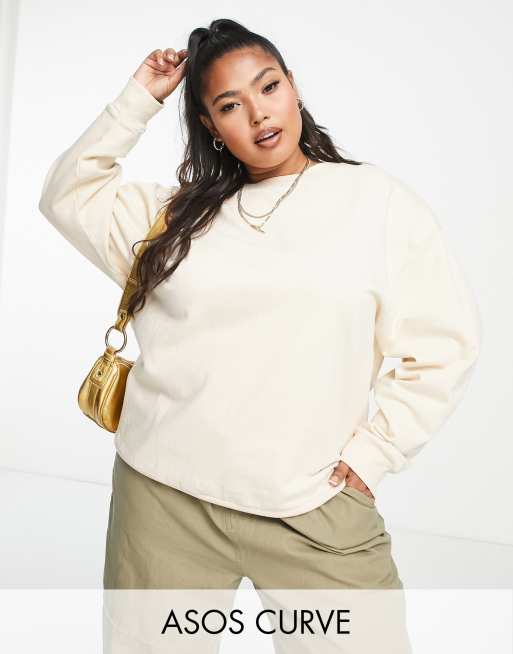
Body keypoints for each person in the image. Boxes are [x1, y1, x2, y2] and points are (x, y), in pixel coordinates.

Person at [38, 17, 481, 653]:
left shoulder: (376, 202)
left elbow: (443, 344)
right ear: (210, 125)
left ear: (293, 86)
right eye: (229, 105)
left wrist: (377, 452)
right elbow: (66, 193)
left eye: (268, 87)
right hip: (162, 502)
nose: (258, 114)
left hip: (312, 509)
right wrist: (139, 97)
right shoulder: (171, 219)